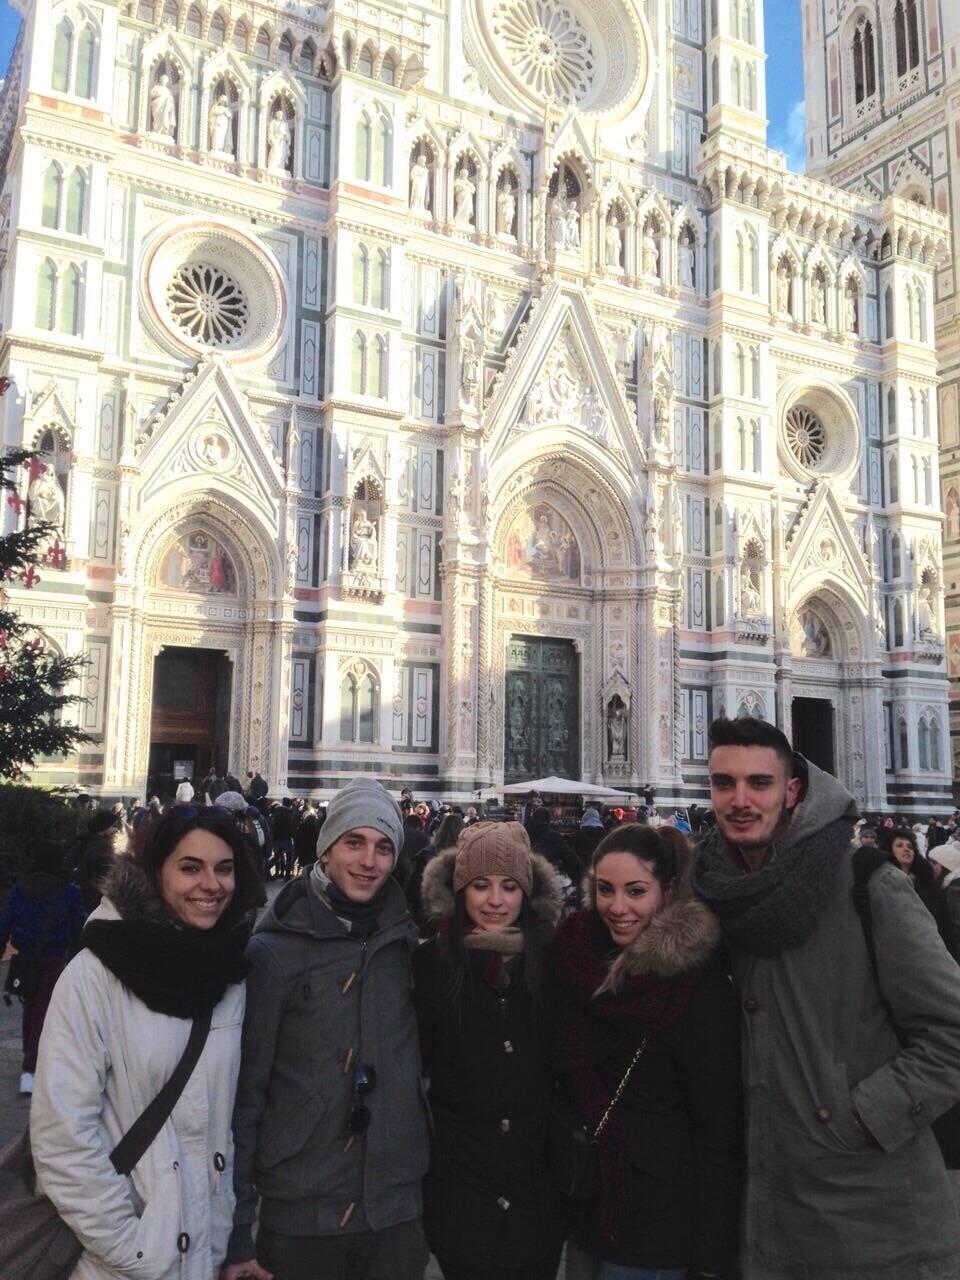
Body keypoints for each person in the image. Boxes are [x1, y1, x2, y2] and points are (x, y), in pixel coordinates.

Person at [692, 716, 960, 1280]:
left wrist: (860, 1119)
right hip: (761, 1210)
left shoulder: (868, 883)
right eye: (723, 783)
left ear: (793, 789)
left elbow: (952, 1031)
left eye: (759, 783)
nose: (740, 800)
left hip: (876, 1222)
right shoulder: (710, 888)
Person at [30, 808, 260, 1279]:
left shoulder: (228, 974)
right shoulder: (94, 975)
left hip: (205, 1253)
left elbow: (224, 1121)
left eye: (224, 868)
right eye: (190, 868)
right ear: (156, 872)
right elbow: (62, 1136)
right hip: (117, 1261)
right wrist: (135, 1249)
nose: (211, 885)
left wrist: (224, 1234)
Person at [223, 777, 431, 1280]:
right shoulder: (273, 952)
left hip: (394, 1215)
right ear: (326, 848)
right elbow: (246, 1096)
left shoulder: (408, 947)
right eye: (354, 842)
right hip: (303, 1213)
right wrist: (238, 1230)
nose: (368, 861)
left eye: (383, 847)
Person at [552, 823, 742, 1280]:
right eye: (605, 890)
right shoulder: (576, 959)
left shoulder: (696, 988)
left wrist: (712, 1258)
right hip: (588, 1211)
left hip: (659, 1227)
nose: (618, 907)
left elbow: (719, 1133)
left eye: (635, 891)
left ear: (667, 890)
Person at [414, 822, 566, 1280]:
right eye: (480, 885)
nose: (495, 901)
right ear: (460, 891)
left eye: (509, 886)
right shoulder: (429, 964)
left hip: (537, 1197)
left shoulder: (556, 962)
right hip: (460, 1195)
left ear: (528, 893)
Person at [0, 841, 86, 1094]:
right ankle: (33, 1066)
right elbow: (78, 928)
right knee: (44, 1011)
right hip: (54, 958)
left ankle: (30, 1060)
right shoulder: (69, 892)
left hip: (25, 959)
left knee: (30, 1009)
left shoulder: (21, 888)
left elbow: (5, 921)